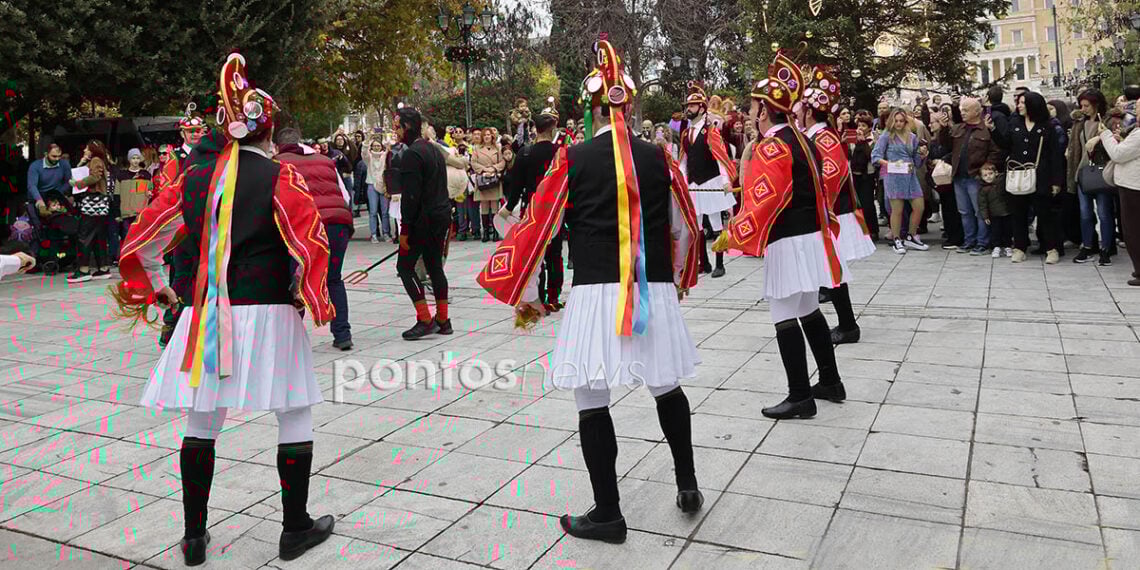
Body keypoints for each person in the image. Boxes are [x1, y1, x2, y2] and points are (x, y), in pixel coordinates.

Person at [111, 53, 335, 565]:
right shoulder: (282, 177)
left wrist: (160, 290)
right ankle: (294, 528)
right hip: (269, 312)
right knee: (294, 411)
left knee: (202, 420)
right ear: (268, 131)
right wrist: (311, 296)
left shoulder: (192, 178)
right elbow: (310, 245)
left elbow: (142, 239)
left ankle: (194, 535)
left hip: (205, 315)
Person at [478, 39, 703, 544]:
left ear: (592, 109)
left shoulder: (572, 159)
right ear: (626, 104)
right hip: (653, 287)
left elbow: (540, 226)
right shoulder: (660, 156)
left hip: (598, 289)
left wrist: (528, 292)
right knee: (666, 383)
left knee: (590, 396)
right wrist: (682, 278)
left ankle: (608, 511)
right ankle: (687, 483)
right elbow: (686, 225)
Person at [715, 50, 848, 420]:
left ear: (765, 110)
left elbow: (769, 197)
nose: (750, 114)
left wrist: (735, 232)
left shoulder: (773, 144)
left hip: (788, 238)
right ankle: (831, 381)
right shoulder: (802, 138)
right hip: (808, 235)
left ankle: (800, 395)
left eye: (754, 107)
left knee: (783, 312)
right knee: (808, 308)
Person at [800, 67, 875, 346]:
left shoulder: (824, 137)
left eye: (801, 109)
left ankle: (847, 325)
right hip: (830, 212)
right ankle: (845, 323)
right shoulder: (817, 136)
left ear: (809, 111)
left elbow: (831, 172)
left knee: (834, 270)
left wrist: (815, 204)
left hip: (835, 213)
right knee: (831, 271)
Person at [275, 127, 355, 351]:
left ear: (278, 145)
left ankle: (290, 339)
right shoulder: (324, 160)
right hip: (338, 223)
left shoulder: (277, 163)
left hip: (306, 228)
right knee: (333, 279)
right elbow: (345, 194)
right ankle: (342, 334)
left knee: (294, 281)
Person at [393, 107, 453, 340]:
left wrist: (405, 229)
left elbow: (411, 196)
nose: (395, 132)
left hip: (423, 220)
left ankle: (425, 318)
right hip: (440, 215)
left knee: (405, 268)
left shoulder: (412, 154)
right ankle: (443, 318)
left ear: (407, 126)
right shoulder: (433, 150)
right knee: (434, 265)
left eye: (397, 127)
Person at [502, 100, 564, 312]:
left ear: (534, 129)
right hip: (556, 210)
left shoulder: (525, 153)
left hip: (531, 209)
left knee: (535, 255)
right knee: (555, 254)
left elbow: (516, 186)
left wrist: (508, 208)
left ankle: (538, 296)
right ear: (553, 128)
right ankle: (554, 297)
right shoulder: (561, 153)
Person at [156, 107, 209, 347]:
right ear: (183, 134)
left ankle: (196, 323)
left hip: (204, 224)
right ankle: (171, 324)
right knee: (181, 275)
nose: (196, 135)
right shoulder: (175, 159)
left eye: (199, 130)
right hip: (181, 225)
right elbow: (167, 192)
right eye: (191, 131)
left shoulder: (210, 155)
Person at [994, 91, 1066, 264]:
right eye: (1018, 102)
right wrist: (993, 131)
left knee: (1045, 214)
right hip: (1018, 174)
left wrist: (1056, 181)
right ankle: (1019, 247)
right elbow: (1005, 144)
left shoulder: (1047, 126)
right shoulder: (1014, 123)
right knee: (1018, 214)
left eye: (1022, 102)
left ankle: (1051, 248)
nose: (1019, 105)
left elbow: (1056, 155)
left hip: (1041, 175)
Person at [680, 81, 738, 278]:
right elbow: (683, 160)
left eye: (693, 106)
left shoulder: (710, 131)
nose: (689, 109)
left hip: (710, 181)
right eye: (688, 106)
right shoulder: (686, 133)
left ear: (702, 108)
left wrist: (725, 181)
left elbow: (720, 158)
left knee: (715, 222)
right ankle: (703, 263)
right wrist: (679, 180)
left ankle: (720, 263)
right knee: (695, 225)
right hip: (694, 183)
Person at [933, 97, 1002, 255]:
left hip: (975, 176)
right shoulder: (958, 128)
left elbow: (995, 151)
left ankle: (982, 242)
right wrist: (943, 129)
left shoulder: (985, 129)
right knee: (964, 212)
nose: (962, 112)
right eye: (962, 109)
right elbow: (946, 145)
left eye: (966, 110)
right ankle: (969, 241)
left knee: (980, 212)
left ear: (977, 111)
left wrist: (986, 167)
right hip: (959, 176)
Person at [1067, 89, 1116, 266]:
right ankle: (1087, 246)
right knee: (1085, 212)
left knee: (1104, 212)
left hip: (1102, 171)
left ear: (1096, 104)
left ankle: (1106, 249)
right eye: (1081, 105)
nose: (1084, 109)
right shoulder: (1079, 123)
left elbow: (1116, 142)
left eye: (1087, 105)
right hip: (1083, 172)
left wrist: (1100, 138)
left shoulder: (1108, 121)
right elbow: (1075, 147)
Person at [872, 108, 930, 254]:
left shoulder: (912, 137)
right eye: (896, 121)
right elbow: (875, 156)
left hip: (910, 175)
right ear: (891, 121)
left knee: (919, 206)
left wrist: (922, 155)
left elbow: (917, 162)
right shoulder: (886, 136)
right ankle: (897, 239)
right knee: (897, 210)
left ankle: (910, 236)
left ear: (906, 122)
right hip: (894, 176)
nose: (898, 124)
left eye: (901, 121)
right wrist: (890, 164)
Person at [1100, 92, 1140, 285]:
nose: (1135, 110)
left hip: (1133, 185)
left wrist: (1105, 135)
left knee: (1132, 229)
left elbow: (1117, 154)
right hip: (1131, 183)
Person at [67, 141, 115, 283]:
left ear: (93, 150)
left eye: (87, 149)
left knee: (85, 236)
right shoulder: (99, 160)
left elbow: (94, 176)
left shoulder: (95, 160)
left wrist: (78, 184)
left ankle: (83, 270)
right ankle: (103, 267)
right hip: (100, 204)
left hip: (92, 203)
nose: (85, 151)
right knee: (98, 237)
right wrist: (82, 162)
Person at [110, 148, 153, 261]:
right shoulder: (121, 175)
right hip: (126, 212)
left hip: (141, 212)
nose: (135, 160)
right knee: (127, 236)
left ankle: (141, 258)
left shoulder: (145, 175)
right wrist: (117, 213)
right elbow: (117, 195)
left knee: (141, 236)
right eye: (133, 158)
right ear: (129, 160)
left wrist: (149, 194)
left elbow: (150, 191)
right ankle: (129, 259)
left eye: (137, 158)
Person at [471, 127, 506, 242]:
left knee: (495, 207)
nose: (486, 136)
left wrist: (493, 169)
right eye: (484, 135)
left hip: (494, 178)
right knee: (484, 207)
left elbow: (502, 162)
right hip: (483, 179)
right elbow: (473, 163)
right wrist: (483, 170)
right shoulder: (476, 148)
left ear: (492, 136)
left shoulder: (498, 148)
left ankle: (496, 232)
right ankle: (485, 232)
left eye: (488, 134)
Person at [26, 144, 73, 229]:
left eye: (59, 156)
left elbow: (68, 182)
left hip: (55, 196)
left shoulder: (64, 164)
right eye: (54, 156)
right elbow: (32, 186)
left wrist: (58, 194)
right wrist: (40, 201)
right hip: (38, 196)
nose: (57, 159)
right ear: (46, 154)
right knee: (38, 227)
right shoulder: (35, 166)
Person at [977, 163, 1012, 257]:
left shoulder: (1002, 183)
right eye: (985, 175)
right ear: (982, 177)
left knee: (1007, 230)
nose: (988, 177)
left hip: (1006, 212)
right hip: (994, 214)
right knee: (995, 231)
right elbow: (982, 204)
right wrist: (985, 216)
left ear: (996, 173)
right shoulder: (983, 189)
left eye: (990, 173)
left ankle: (1008, 246)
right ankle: (996, 247)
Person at [364, 139, 391, 242]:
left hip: (383, 185)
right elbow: (364, 152)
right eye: (374, 146)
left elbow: (390, 146)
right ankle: (374, 234)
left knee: (385, 212)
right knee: (373, 211)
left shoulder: (384, 155)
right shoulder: (369, 157)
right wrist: (368, 140)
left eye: (378, 146)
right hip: (371, 184)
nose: (376, 147)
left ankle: (386, 233)